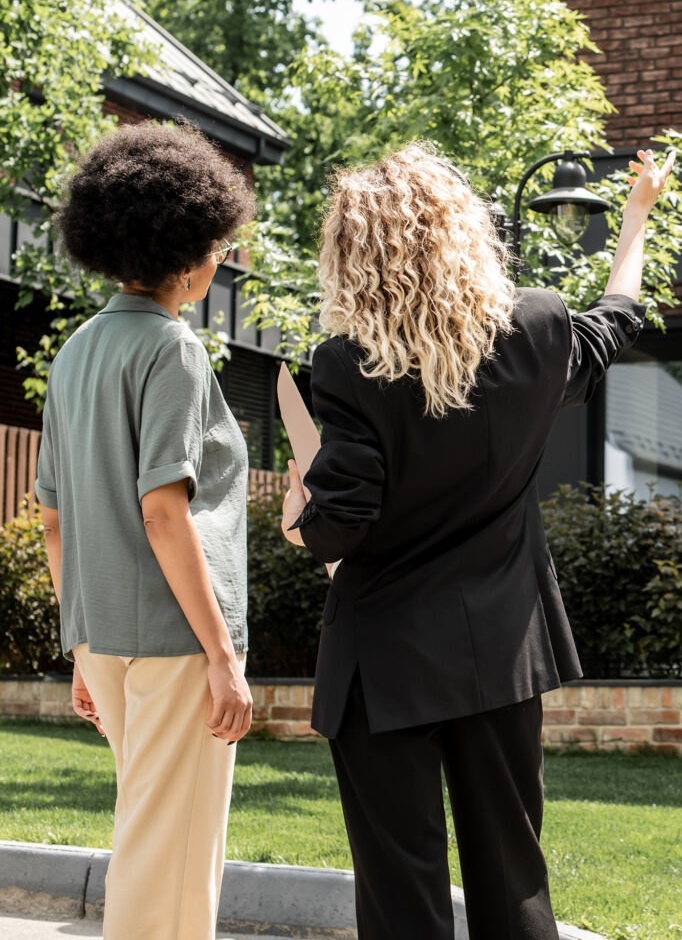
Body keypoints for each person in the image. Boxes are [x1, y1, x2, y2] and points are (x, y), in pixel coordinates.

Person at [281, 143, 675, 940]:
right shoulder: (536, 330)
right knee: (514, 880)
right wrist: (636, 216)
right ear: (464, 232)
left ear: (354, 253)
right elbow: (617, 320)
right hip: (502, 653)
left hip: (382, 666)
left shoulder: (348, 365)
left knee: (402, 897)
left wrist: (299, 509)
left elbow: (339, 524)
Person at [36, 121, 255, 940]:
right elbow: (163, 512)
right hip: (175, 644)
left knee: (150, 834)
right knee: (168, 861)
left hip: (107, 642)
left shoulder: (74, 353)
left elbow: (54, 522)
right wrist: (224, 657)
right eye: (216, 246)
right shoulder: (173, 350)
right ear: (187, 254)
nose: (219, 261)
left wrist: (79, 644)